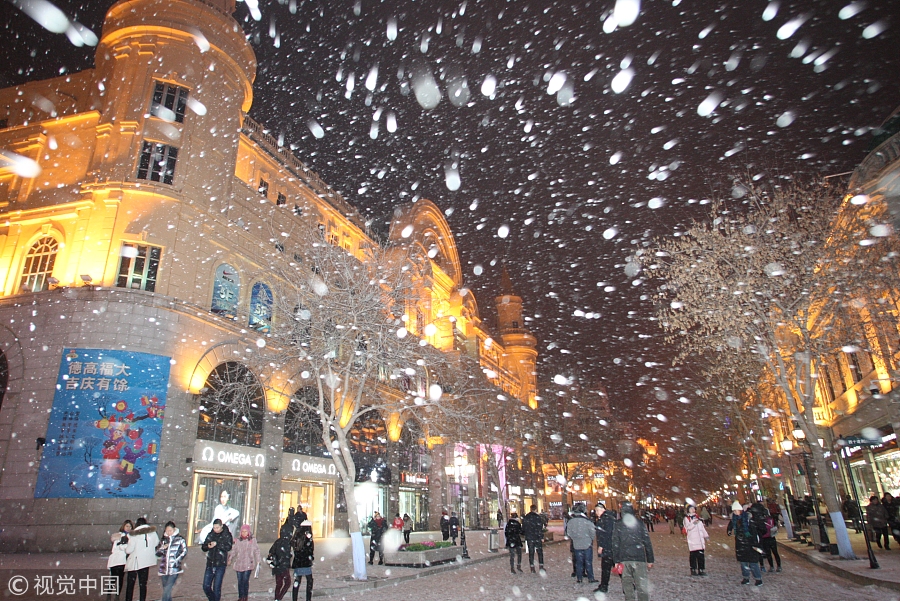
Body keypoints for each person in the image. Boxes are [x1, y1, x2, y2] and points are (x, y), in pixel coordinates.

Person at [611, 502, 654, 601]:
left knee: (627, 584)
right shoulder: (639, 523)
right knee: (641, 584)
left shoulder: (618, 524)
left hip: (624, 558)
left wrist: (616, 560)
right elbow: (647, 541)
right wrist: (650, 559)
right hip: (639, 557)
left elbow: (615, 543)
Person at [726, 501, 762, 586]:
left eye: (736, 510)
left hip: (750, 543)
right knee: (743, 562)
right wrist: (729, 531)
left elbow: (754, 532)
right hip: (740, 543)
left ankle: (758, 579)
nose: (735, 512)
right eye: (734, 511)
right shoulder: (734, 519)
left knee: (753, 563)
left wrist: (755, 544)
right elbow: (730, 526)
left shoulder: (748, 519)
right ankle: (746, 577)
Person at [124, 517, 159, 601]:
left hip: (136, 562)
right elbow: (156, 543)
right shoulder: (152, 533)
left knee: (130, 584)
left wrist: (125, 548)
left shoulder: (135, 534)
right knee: (143, 584)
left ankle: (128, 599)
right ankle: (142, 599)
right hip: (146, 561)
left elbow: (129, 550)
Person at [201, 518, 233, 601]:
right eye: (214, 528)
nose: (215, 529)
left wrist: (217, 544)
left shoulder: (226, 534)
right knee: (206, 586)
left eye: (217, 528)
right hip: (210, 563)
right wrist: (208, 545)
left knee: (217, 587)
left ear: (221, 526)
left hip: (220, 564)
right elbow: (204, 547)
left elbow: (228, 546)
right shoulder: (211, 534)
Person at [565, 502, 596, 584]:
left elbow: (568, 533)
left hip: (576, 544)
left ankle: (579, 578)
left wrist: (575, 538)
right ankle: (591, 578)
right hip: (587, 543)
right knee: (588, 561)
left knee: (579, 562)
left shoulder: (571, 521)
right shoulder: (587, 521)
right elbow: (592, 532)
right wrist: (590, 539)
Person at [155, 521, 187, 601]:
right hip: (164, 569)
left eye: (170, 530)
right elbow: (157, 553)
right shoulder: (163, 540)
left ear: (174, 529)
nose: (169, 532)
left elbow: (184, 551)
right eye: (167, 531)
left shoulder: (179, 539)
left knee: (167, 590)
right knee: (167, 591)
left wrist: (177, 560)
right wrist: (162, 548)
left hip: (174, 569)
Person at [230, 524, 260, 601]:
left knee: (245, 580)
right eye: (242, 531)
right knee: (240, 581)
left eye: (245, 531)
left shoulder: (252, 540)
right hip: (239, 563)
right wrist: (230, 558)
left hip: (248, 563)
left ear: (248, 532)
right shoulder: (238, 540)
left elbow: (256, 550)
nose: (244, 533)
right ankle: (241, 596)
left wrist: (258, 560)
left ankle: (244, 596)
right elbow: (234, 550)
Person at [594, 501, 616, 594]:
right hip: (612, 547)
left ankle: (604, 586)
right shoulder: (609, 518)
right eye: (596, 510)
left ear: (603, 510)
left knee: (606, 568)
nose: (596, 512)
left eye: (597, 510)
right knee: (616, 566)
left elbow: (606, 534)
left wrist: (601, 546)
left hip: (608, 548)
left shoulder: (605, 520)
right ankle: (630, 584)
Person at [268, 520, 293, 601]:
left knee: (278, 584)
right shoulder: (287, 542)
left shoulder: (278, 541)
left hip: (277, 566)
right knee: (287, 583)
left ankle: (277, 598)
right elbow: (286, 555)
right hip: (283, 566)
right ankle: (279, 598)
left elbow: (271, 551)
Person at [108, 520, 132, 600]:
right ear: (123, 526)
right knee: (114, 578)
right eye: (127, 526)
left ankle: (116, 596)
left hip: (122, 561)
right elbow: (116, 548)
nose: (128, 528)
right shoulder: (119, 536)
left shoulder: (131, 537)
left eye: (130, 526)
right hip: (116, 560)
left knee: (119, 579)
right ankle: (110, 595)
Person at [291, 519, 314, 601]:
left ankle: (294, 598)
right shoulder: (308, 537)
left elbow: (294, 546)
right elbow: (310, 549)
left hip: (298, 562)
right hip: (305, 562)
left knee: (297, 581)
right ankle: (308, 598)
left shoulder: (297, 535)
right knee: (309, 581)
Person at [683, 505, 709, 576]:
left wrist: (706, 536)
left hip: (700, 540)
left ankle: (701, 569)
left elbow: (702, 528)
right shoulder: (687, 518)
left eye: (693, 508)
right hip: (693, 540)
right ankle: (693, 569)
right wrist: (695, 523)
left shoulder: (698, 518)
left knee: (701, 556)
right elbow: (688, 527)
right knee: (693, 556)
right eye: (691, 509)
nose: (692, 510)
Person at [522, 505, 545, 573]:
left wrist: (526, 534)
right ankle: (541, 566)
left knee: (531, 553)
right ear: (535, 509)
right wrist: (541, 537)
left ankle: (532, 567)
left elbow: (523, 528)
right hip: (537, 537)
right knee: (539, 552)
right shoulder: (537, 517)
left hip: (530, 537)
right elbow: (540, 528)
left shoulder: (526, 517)